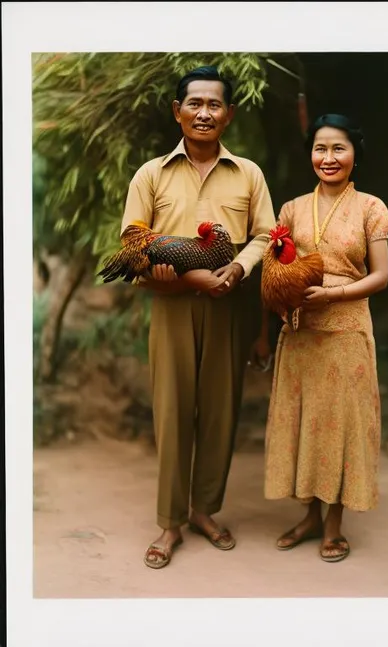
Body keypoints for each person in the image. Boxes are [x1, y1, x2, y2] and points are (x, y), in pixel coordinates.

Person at [120, 66, 276, 569]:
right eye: (195, 104)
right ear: (177, 111)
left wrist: (237, 267)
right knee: (172, 414)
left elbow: (265, 235)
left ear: (229, 114)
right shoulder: (150, 174)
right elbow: (133, 243)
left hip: (229, 305)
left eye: (214, 105)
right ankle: (170, 523)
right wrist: (184, 277)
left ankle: (205, 510)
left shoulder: (249, 173)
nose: (204, 113)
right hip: (171, 306)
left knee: (220, 413)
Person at [253, 113, 388, 563]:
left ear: (355, 153)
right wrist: (275, 309)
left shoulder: (372, 207)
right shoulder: (292, 209)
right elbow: (276, 268)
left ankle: (334, 525)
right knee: (307, 424)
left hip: (347, 331)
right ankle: (309, 516)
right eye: (320, 148)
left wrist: (335, 293)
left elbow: (382, 276)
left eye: (338, 148)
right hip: (301, 332)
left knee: (342, 427)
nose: (328, 158)